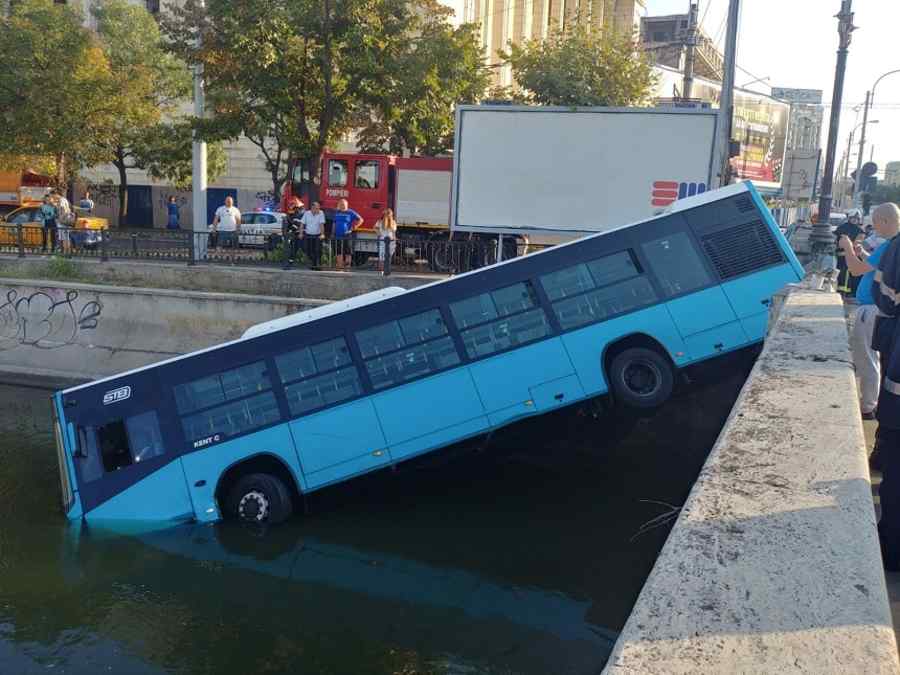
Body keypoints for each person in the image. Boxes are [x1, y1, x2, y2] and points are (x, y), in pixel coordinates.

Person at [840, 203, 900, 421]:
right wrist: (861, 253)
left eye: (875, 223)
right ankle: (870, 402)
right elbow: (872, 265)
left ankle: (867, 406)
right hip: (875, 309)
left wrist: (846, 248)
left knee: (866, 357)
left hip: (871, 310)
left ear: (885, 221)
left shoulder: (889, 246)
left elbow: (855, 270)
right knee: (872, 357)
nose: (873, 228)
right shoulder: (891, 245)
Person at [835, 209, 865, 295]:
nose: (854, 220)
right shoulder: (841, 228)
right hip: (840, 255)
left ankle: (848, 293)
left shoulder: (860, 231)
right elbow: (836, 240)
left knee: (850, 275)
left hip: (853, 256)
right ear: (849, 218)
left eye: (856, 218)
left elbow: (858, 243)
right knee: (841, 273)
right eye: (853, 218)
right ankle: (841, 291)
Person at [332, 198, 362, 269]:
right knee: (339, 251)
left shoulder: (350, 212)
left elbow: (361, 219)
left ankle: (347, 268)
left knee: (348, 251)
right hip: (337, 235)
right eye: (341, 204)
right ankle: (340, 267)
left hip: (347, 234)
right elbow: (334, 223)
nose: (342, 206)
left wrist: (354, 227)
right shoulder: (337, 212)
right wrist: (332, 233)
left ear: (347, 205)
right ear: (339, 205)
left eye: (344, 205)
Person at [300, 200, 326, 269]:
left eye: (319, 208)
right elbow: (302, 224)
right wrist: (301, 233)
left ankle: (317, 265)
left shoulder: (321, 213)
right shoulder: (307, 213)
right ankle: (313, 264)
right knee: (309, 251)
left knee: (318, 250)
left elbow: (321, 224)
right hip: (308, 235)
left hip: (317, 235)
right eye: (317, 208)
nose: (318, 210)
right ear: (312, 208)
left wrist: (322, 234)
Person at [282, 198, 304, 267]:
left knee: (297, 250)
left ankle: (314, 264)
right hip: (295, 236)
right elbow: (290, 225)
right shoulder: (292, 215)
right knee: (293, 250)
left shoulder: (300, 214)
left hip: (301, 235)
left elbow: (295, 225)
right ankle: (289, 264)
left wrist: (290, 230)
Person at [375, 207, 398, 271]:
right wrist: (379, 234)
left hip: (386, 240)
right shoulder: (381, 221)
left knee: (383, 254)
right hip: (388, 240)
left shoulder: (392, 222)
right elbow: (394, 232)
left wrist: (379, 234)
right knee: (386, 254)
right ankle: (384, 268)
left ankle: (383, 269)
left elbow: (394, 232)